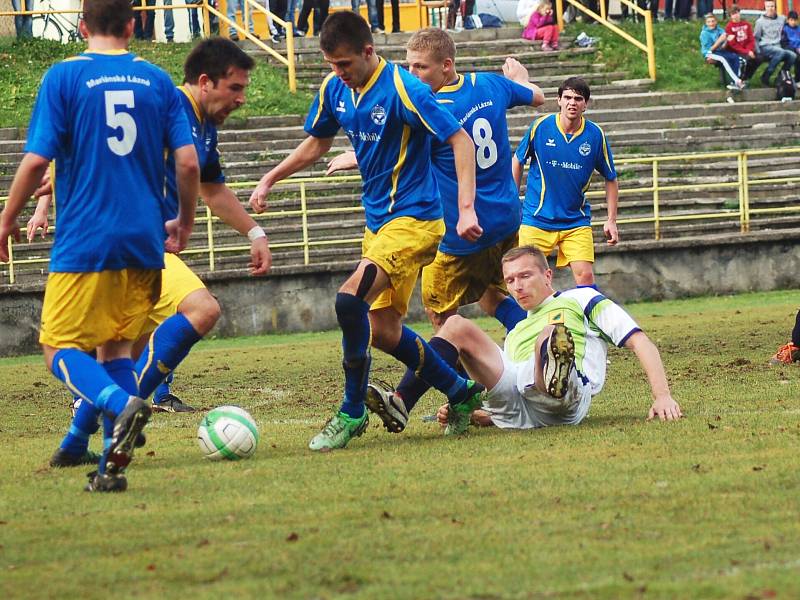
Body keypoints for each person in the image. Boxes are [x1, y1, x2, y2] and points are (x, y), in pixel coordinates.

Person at [27, 38, 272, 467]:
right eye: (235, 88)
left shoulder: (202, 125)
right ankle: (128, 404)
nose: (241, 98)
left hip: (144, 252)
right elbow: (91, 144)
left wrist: (254, 233)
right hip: (135, 244)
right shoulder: (163, 103)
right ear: (204, 82)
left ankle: (75, 443)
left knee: (120, 352)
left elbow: (211, 189)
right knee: (202, 310)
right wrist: (48, 199)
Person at [249, 12, 487, 449]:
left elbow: (460, 140)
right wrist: (271, 177)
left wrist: (467, 209)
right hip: (378, 225)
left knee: (347, 300)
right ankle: (461, 391)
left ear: (368, 51)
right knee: (382, 330)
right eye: (331, 65)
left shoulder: (403, 88)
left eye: (345, 64)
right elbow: (318, 142)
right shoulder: (334, 88)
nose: (338, 73)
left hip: (415, 221)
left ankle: (351, 411)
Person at [0, 0, 200, 491]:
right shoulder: (158, 81)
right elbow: (190, 164)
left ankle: (117, 404)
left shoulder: (64, 78)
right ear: (133, 26)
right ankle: (111, 471)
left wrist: (5, 221)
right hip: (145, 240)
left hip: (86, 241)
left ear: (82, 26)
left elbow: (34, 162)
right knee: (117, 350)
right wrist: (185, 225)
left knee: (56, 347)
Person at [326, 28, 545, 433]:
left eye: (419, 67)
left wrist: (353, 156)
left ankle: (417, 399)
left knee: (444, 321)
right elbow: (537, 97)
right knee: (493, 294)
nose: (412, 73)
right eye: (408, 66)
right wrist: (519, 79)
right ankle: (543, 349)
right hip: (506, 220)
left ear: (446, 65)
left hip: (463, 231)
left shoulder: (428, 106)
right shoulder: (488, 84)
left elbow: (399, 147)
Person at [433, 246, 683, 431]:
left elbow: (639, 341)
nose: (517, 286)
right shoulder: (516, 331)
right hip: (516, 409)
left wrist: (662, 396)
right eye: (510, 280)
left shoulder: (581, 298)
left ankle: (552, 374)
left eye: (525, 276)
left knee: (550, 335)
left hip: (564, 401)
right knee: (455, 325)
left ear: (548, 276)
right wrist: (478, 414)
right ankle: (405, 400)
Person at [511, 77, 618, 289]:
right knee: (527, 279)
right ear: (558, 100)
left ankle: (587, 322)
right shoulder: (541, 126)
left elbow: (611, 177)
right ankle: (533, 322)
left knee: (586, 278)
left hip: (575, 221)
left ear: (585, 104)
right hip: (536, 218)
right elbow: (517, 161)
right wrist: (513, 202)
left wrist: (611, 220)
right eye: (567, 97)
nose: (572, 102)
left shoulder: (595, 135)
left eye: (578, 98)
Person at [755, 0, 796, 86]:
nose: (770, 9)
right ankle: (766, 76)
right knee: (780, 52)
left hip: (778, 46)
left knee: (792, 56)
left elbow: (792, 24)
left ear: (775, 7)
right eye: (768, 6)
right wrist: (758, 52)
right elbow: (756, 38)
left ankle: (780, 78)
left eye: (772, 6)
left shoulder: (782, 19)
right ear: (765, 8)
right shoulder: (760, 22)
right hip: (765, 46)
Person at [700, 13, 746, 90]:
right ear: (706, 23)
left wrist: (727, 41)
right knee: (723, 59)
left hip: (720, 51)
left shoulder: (720, 30)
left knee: (736, 58)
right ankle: (737, 81)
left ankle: (734, 82)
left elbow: (722, 47)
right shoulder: (704, 33)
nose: (711, 24)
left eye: (713, 21)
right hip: (709, 53)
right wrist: (719, 40)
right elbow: (709, 49)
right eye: (709, 22)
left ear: (716, 21)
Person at [726, 6, 758, 81]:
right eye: (733, 14)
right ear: (730, 16)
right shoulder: (729, 27)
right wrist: (746, 51)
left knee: (758, 59)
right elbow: (732, 44)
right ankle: (740, 79)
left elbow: (751, 39)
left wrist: (749, 50)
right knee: (745, 60)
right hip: (736, 51)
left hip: (748, 49)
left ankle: (747, 78)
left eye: (737, 13)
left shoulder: (746, 24)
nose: (736, 15)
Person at [782, 10, 800, 82]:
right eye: (791, 20)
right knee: (798, 59)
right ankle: (798, 79)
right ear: (788, 20)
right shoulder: (785, 29)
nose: (793, 22)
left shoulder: (798, 29)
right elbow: (784, 43)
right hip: (790, 48)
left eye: (795, 20)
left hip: (798, 48)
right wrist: (796, 49)